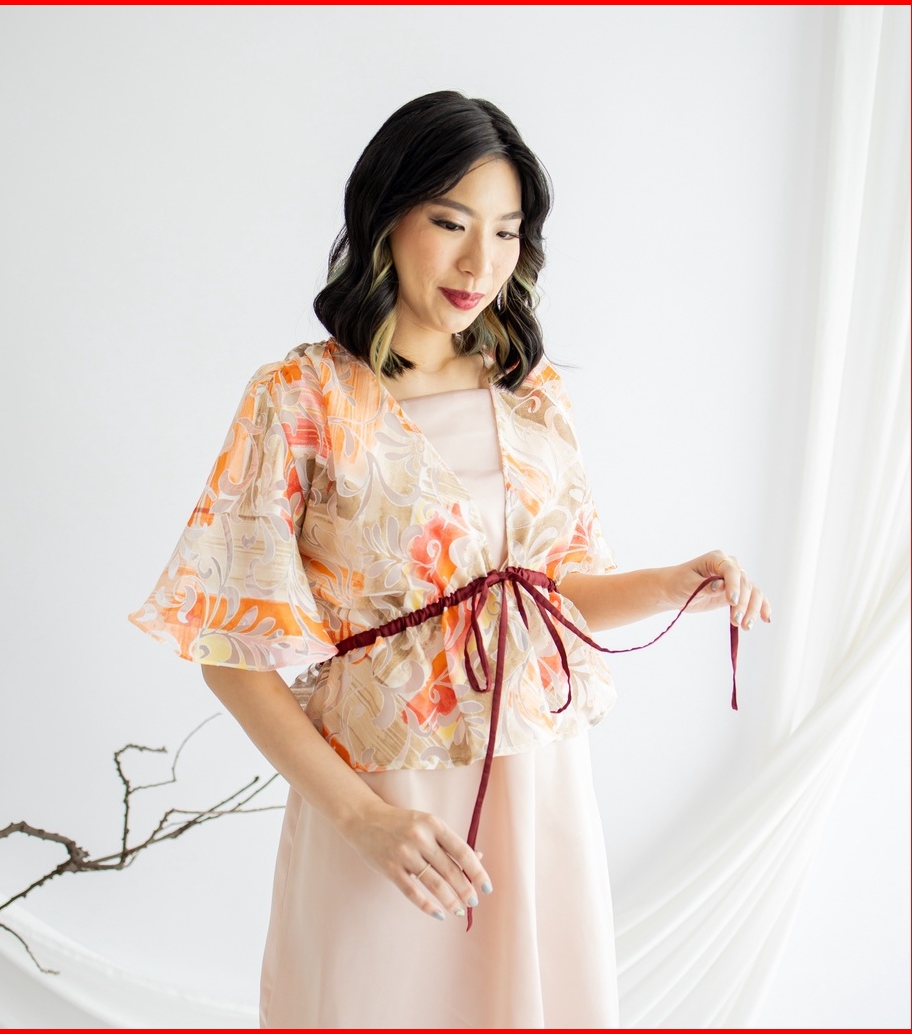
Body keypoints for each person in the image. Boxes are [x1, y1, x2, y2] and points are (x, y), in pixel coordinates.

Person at [129, 91, 771, 1029]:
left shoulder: (530, 392)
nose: (481, 263)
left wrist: (675, 585)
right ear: (386, 216)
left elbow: (550, 597)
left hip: (541, 787)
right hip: (389, 807)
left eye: (507, 233)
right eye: (451, 223)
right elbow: (230, 652)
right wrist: (364, 819)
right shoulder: (301, 397)